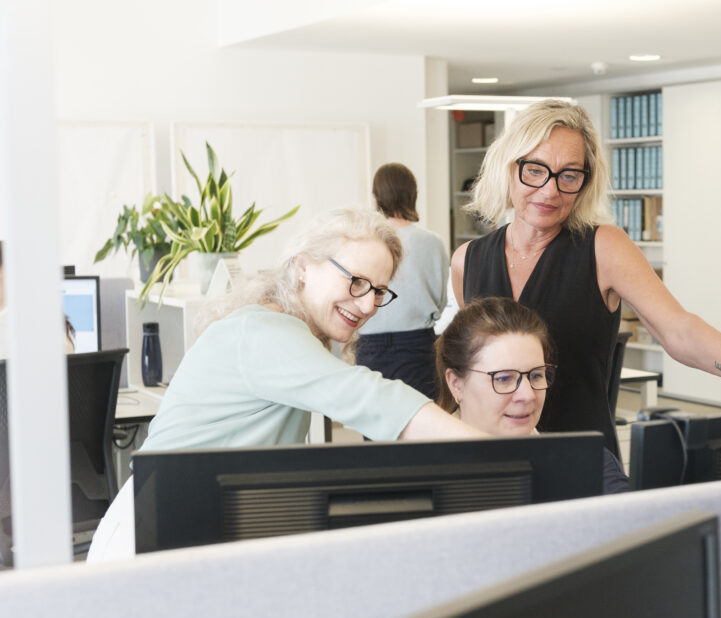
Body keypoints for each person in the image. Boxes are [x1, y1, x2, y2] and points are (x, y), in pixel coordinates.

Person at [87, 208, 483, 562]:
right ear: (302, 268)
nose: (367, 305)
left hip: (190, 525)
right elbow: (373, 397)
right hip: (151, 532)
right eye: (356, 282)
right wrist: (495, 451)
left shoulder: (288, 333)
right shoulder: (265, 331)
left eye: (379, 291)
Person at [453, 99, 721, 457]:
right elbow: (465, 376)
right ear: (508, 168)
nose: (550, 190)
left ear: (585, 181)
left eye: (569, 175)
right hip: (491, 459)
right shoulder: (466, 261)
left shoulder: (603, 247)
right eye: (534, 170)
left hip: (583, 459)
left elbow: (679, 330)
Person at [436, 296, 629, 494]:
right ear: (456, 384)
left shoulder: (589, 464)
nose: (527, 395)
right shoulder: (422, 476)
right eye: (503, 379)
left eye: (537, 375)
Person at [355, 163, 450, 399]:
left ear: (377, 196)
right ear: (413, 194)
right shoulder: (432, 242)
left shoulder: (363, 242)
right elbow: (440, 301)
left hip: (370, 344)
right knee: (421, 423)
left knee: (375, 425)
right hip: (418, 343)